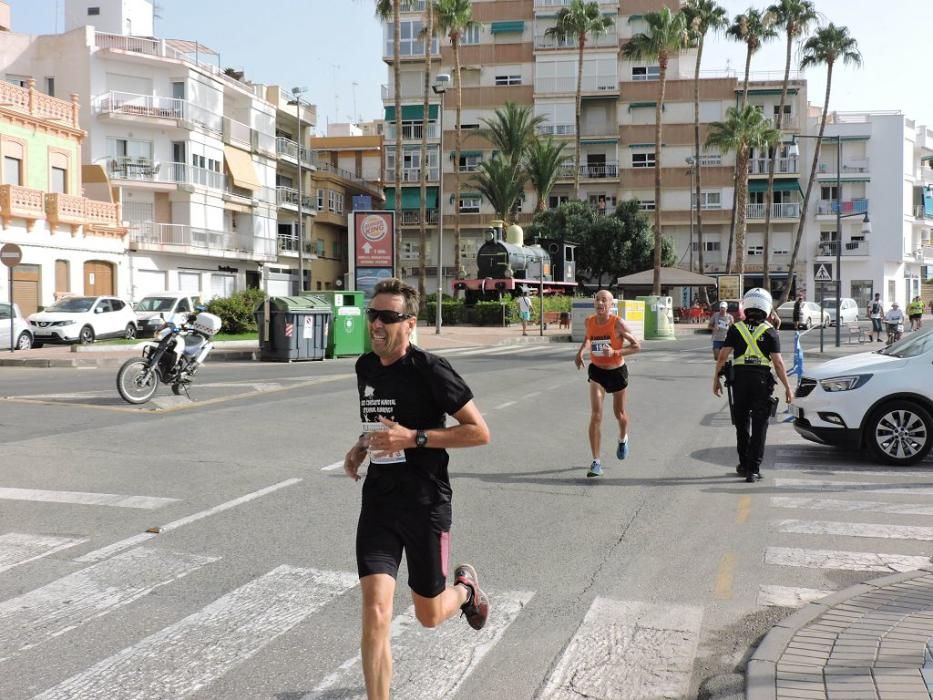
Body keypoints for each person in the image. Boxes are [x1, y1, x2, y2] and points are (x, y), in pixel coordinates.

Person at [342, 278, 491, 700]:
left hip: (426, 504)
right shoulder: (364, 367)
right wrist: (359, 447)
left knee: (427, 615)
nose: (376, 324)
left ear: (409, 324)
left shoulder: (431, 370)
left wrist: (415, 438)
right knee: (375, 611)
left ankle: (465, 591)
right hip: (380, 504)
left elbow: (479, 432)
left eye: (387, 317)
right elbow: (380, 424)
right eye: (373, 314)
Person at [713, 288, 793, 483]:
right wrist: (788, 387)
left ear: (746, 306)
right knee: (759, 425)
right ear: (766, 307)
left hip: (739, 381)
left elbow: (723, 355)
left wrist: (715, 379)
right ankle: (753, 469)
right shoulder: (770, 332)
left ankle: (743, 464)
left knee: (741, 424)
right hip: (761, 381)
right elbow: (778, 363)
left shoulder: (736, 328)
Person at [574, 289, 641, 477]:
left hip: (617, 371)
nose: (600, 303)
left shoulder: (617, 323)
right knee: (596, 415)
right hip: (597, 372)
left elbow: (637, 346)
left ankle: (622, 438)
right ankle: (596, 462)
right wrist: (581, 352)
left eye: (605, 300)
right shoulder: (590, 321)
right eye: (597, 300)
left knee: (619, 414)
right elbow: (589, 338)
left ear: (611, 304)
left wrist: (615, 353)